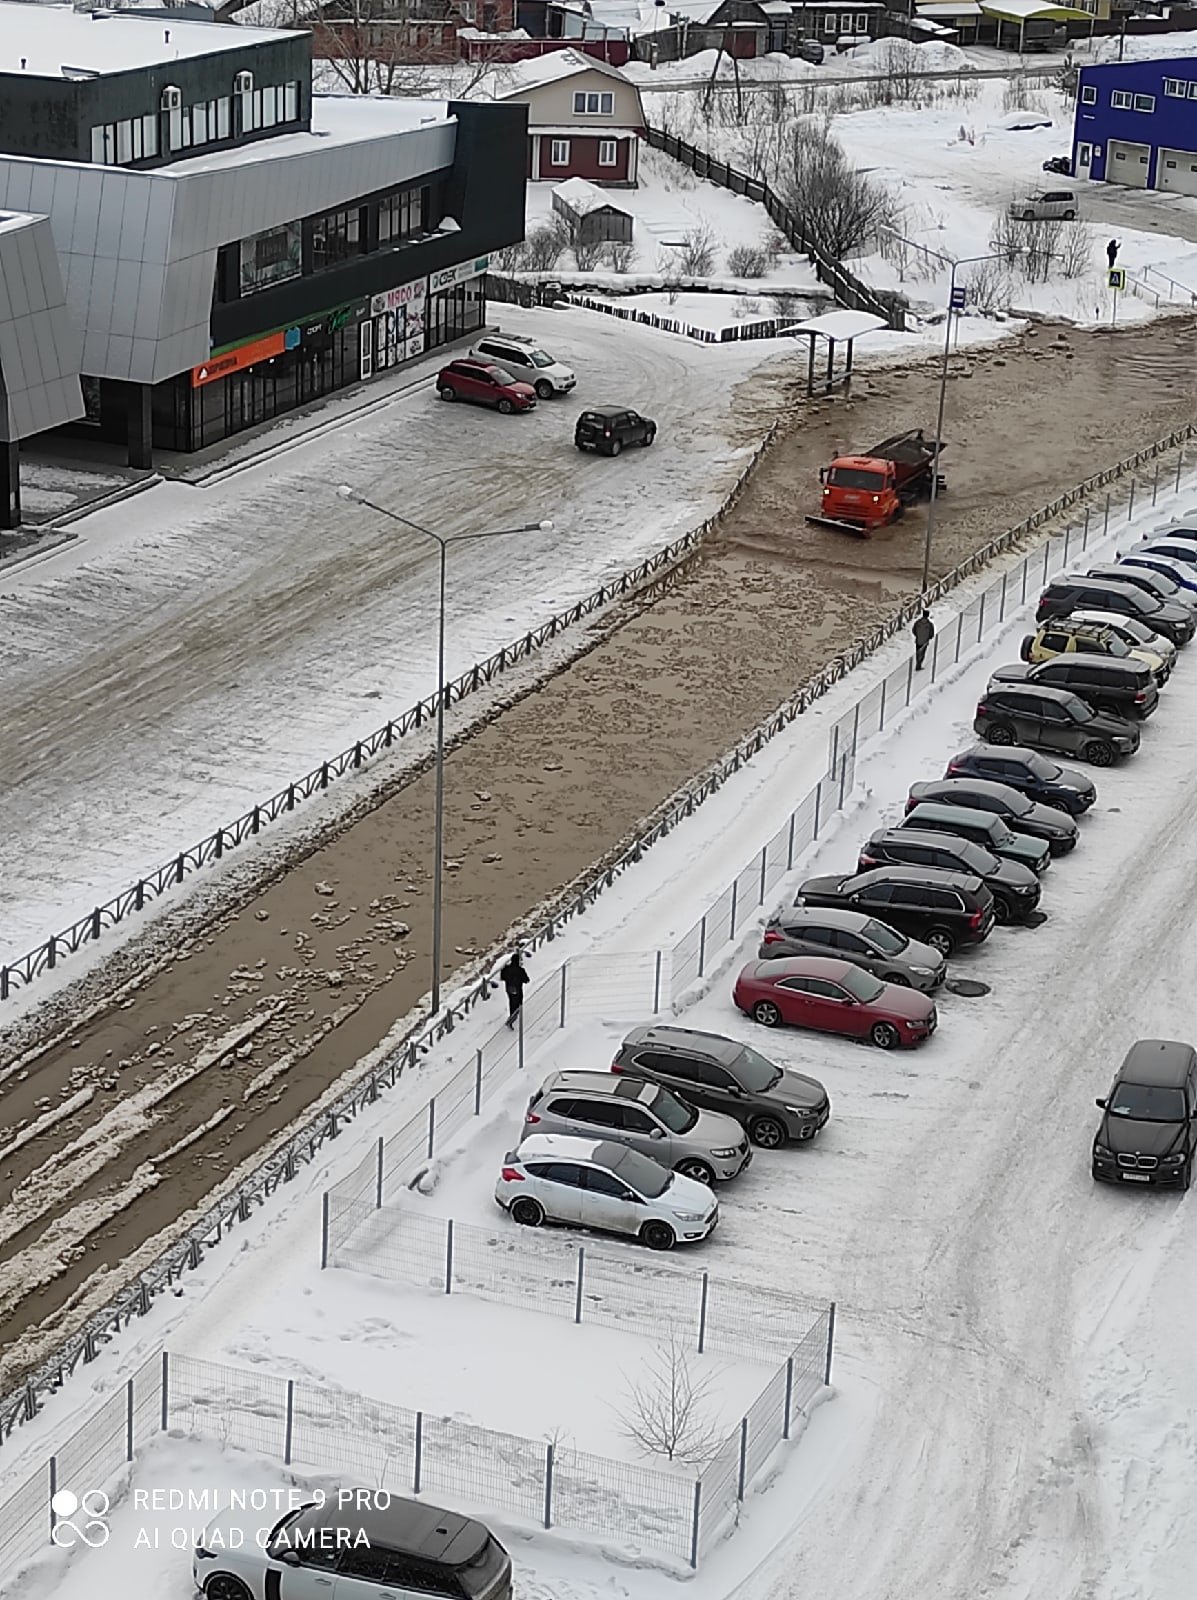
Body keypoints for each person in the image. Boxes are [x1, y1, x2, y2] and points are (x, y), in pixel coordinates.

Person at [500, 948, 530, 1029]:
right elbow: (526, 980)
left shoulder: (506, 969)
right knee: (518, 1003)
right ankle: (512, 1020)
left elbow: (502, 977)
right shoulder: (520, 970)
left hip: (509, 988)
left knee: (511, 1002)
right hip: (517, 989)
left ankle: (512, 1016)